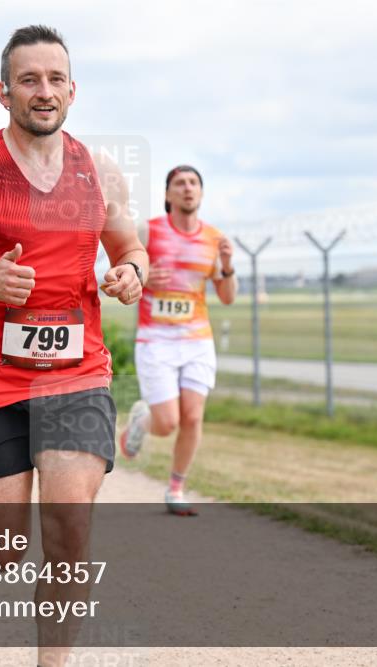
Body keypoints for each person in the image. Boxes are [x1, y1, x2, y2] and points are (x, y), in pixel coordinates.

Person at [0, 25, 147, 666]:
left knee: (68, 529)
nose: (44, 91)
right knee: (7, 543)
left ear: (73, 89)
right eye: (29, 80)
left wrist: (131, 273)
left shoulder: (100, 172)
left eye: (56, 79)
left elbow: (130, 247)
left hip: (77, 374)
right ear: (4, 91)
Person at [118, 165, 238, 516]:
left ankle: (176, 487)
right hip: (156, 339)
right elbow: (119, 270)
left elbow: (228, 297)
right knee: (167, 421)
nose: (188, 189)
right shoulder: (148, 231)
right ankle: (142, 421)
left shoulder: (214, 239)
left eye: (194, 183)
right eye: (180, 184)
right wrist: (145, 274)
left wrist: (228, 266)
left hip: (198, 339)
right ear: (168, 194)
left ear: (201, 193)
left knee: (193, 417)